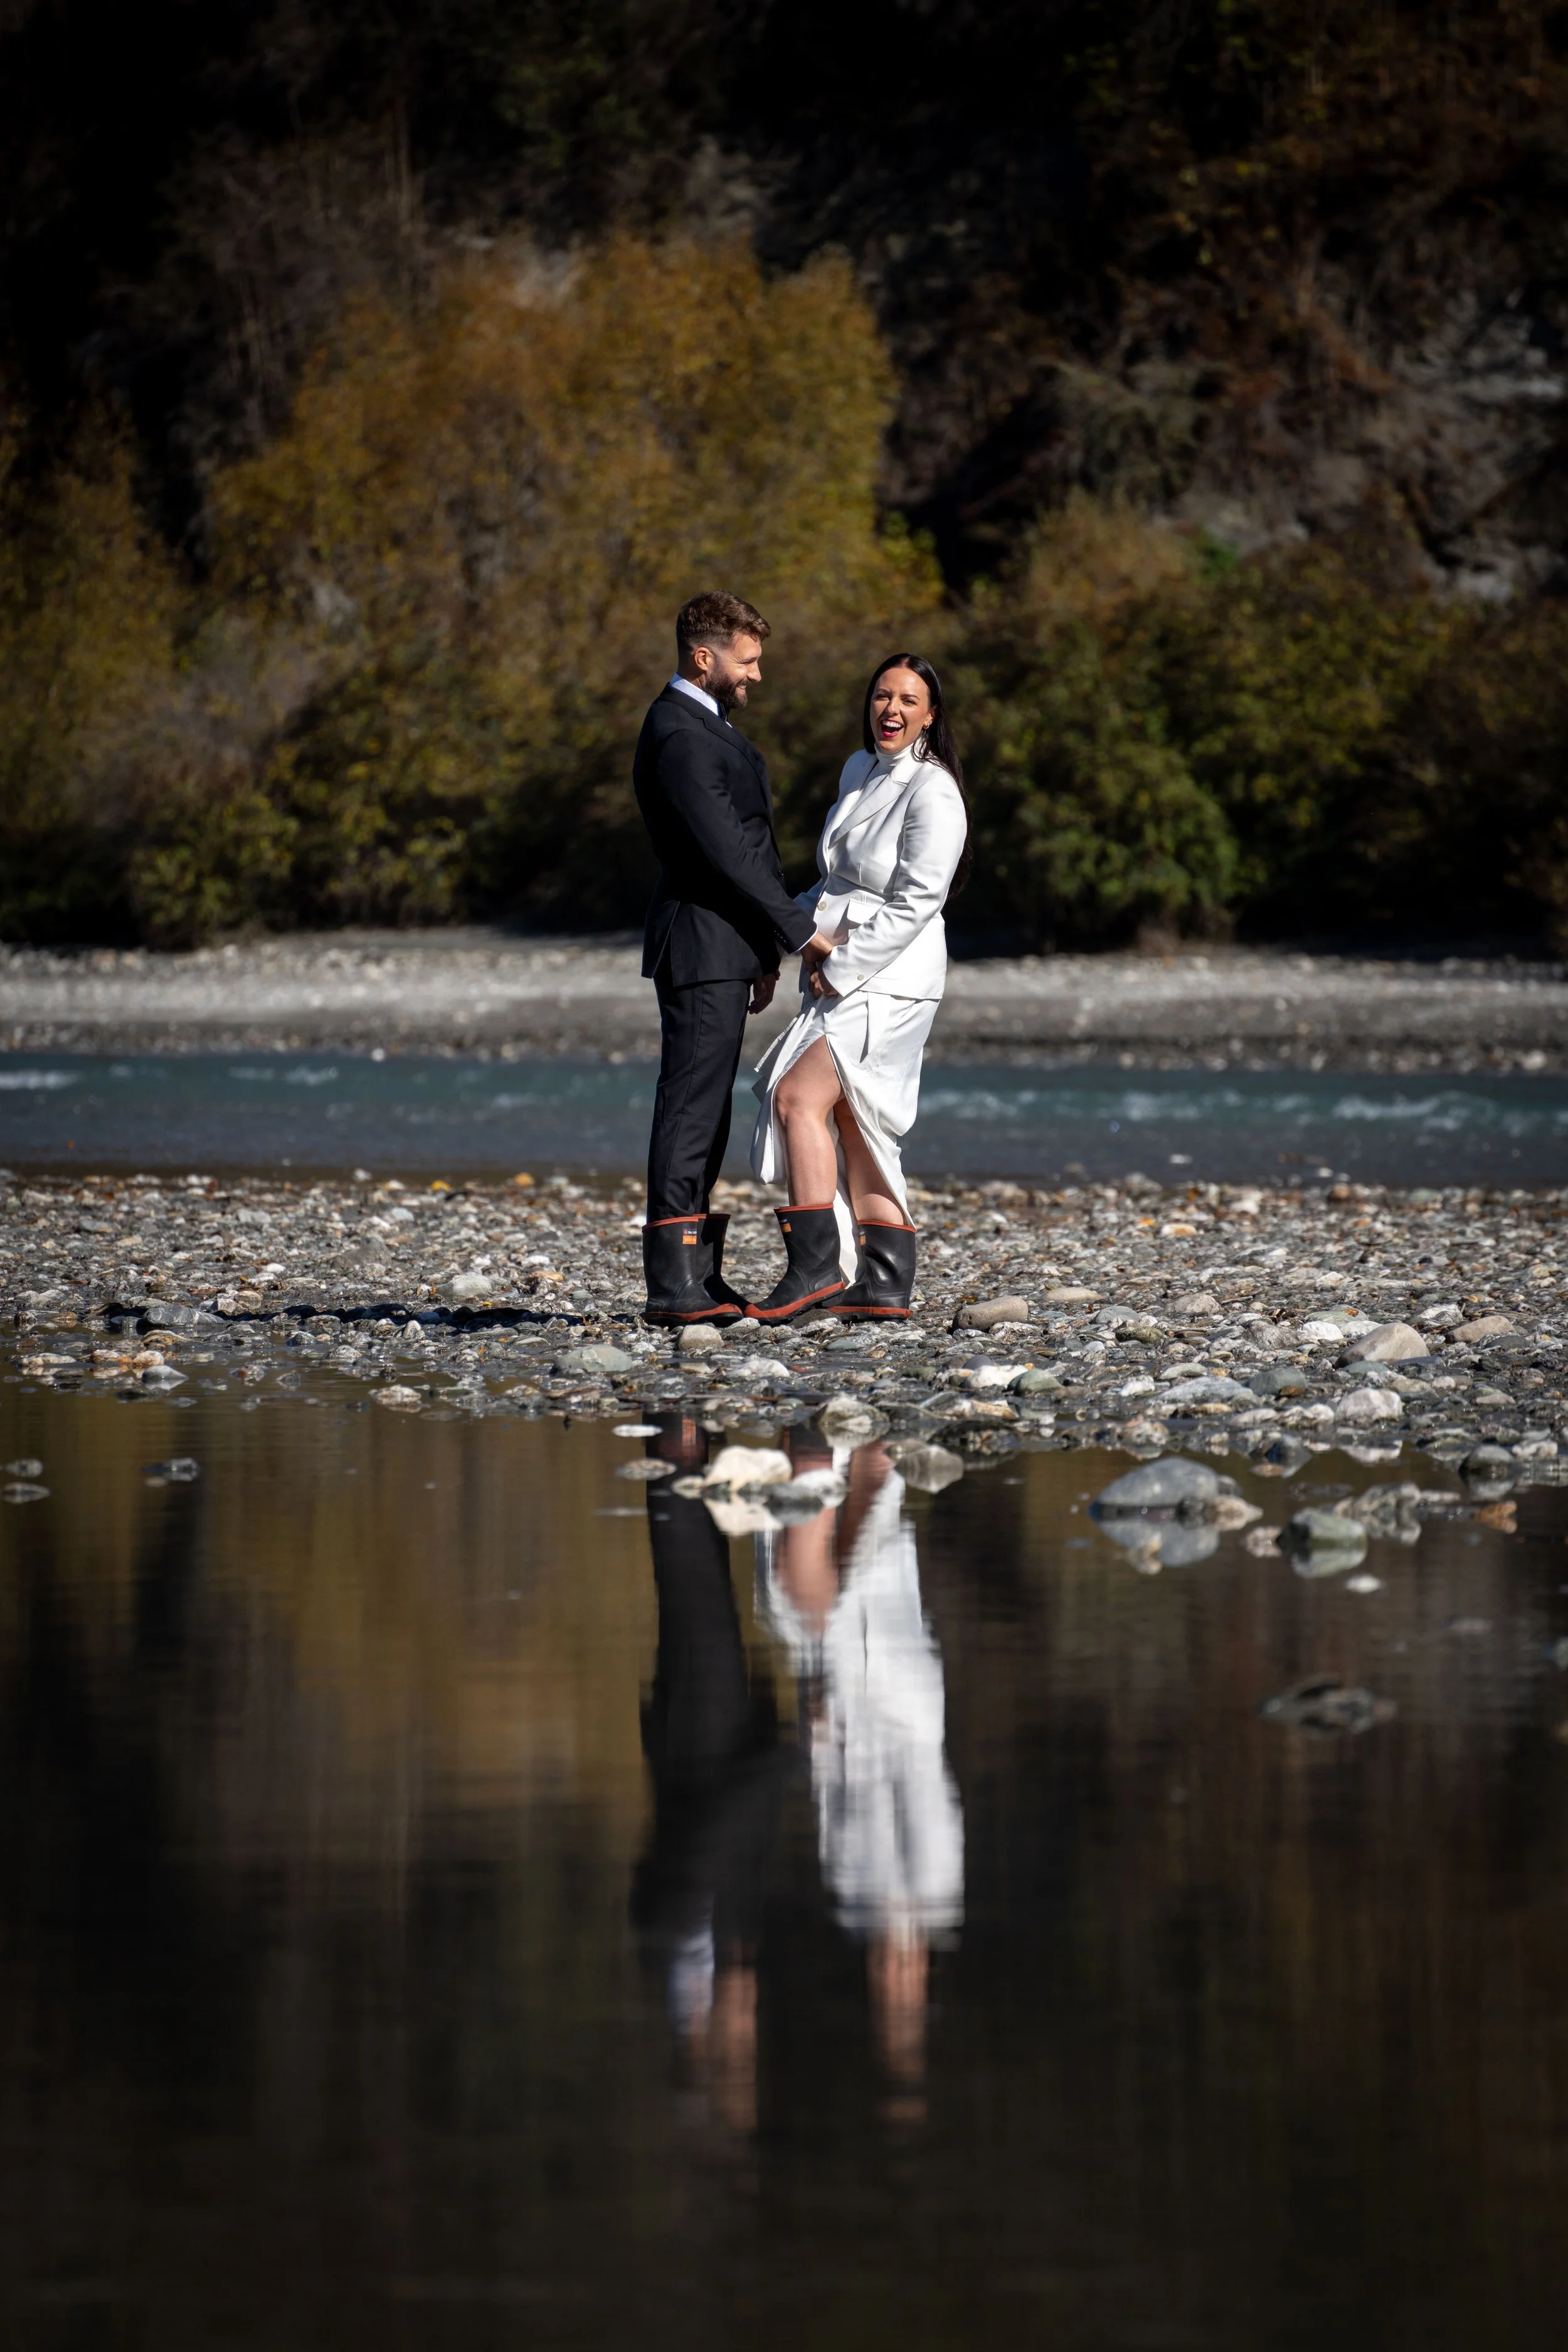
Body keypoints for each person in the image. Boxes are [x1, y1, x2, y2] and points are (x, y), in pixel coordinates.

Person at [633, 591, 838, 1325]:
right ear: (704, 655)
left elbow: (744, 849)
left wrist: (760, 952)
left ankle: (696, 1278)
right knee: (690, 1106)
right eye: (746, 661)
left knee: (707, 1110)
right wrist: (798, 931)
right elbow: (725, 855)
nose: (754, 676)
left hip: (725, 946)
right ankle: (672, 1288)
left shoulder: (705, 726)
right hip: (698, 941)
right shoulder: (680, 733)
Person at [747, 654, 968, 1322]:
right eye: (881, 696)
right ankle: (881, 1282)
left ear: (931, 714)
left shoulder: (935, 791)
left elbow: (917, 902)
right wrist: (787, 937)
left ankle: (815, 1269)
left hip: (892, 980)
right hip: (833, 969)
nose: (891, 710)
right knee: (855, 1118)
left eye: (907, 699)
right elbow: (833, 882)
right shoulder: (856, 769)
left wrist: (836, 965)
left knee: (794, 1097)